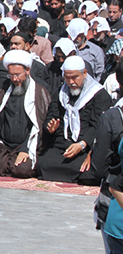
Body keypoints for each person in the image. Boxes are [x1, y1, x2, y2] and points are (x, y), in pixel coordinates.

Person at [0, 50, 51, 178]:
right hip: (4, 145)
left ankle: (10, 164)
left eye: (18, 75)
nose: (15, 79)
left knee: (23, 169)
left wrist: (25, 150)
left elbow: (38, 127)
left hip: (27, 145)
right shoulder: (4, 91)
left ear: (27, 70)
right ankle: (9, 164)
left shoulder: (38, 92)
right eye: (11, 75)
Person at [38, 55, 111, 183]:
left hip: (86, 146)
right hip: (62, 144)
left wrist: (82, 144)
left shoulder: (99, 95)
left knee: (88, 171)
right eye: (67, 78)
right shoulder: (60, 93)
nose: (71, 82)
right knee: (42, 164)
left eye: (75, 77)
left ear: (84, 73)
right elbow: (52, 116)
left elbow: (98, 126)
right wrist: (50, 127)